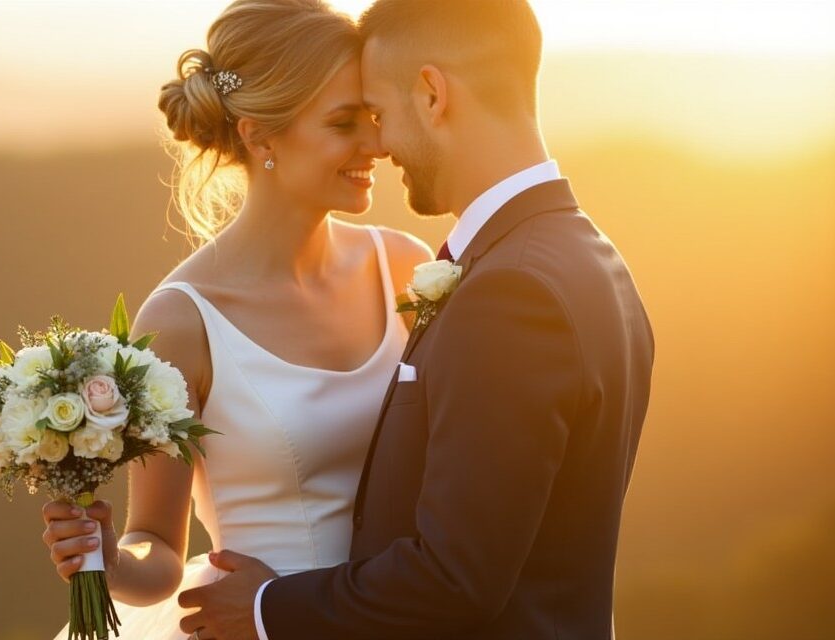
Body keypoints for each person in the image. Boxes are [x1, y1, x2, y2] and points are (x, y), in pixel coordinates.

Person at [179, 1, 655, 639]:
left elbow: (455, 578)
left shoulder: (510, 292)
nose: (379, 142)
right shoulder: (588, 256)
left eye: (378, 111)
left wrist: (266, 610)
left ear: (432, 94)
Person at [41, 1, 433, 638]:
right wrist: (107, 557)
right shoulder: (182, 323)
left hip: (400, 616)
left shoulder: (407, 268)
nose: (378, 144)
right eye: (344, 123)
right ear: (260, 136)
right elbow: (157, 551)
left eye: (373, 118)